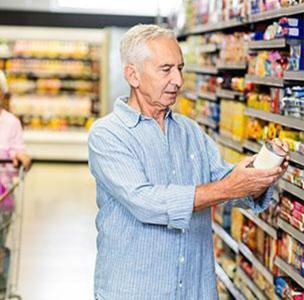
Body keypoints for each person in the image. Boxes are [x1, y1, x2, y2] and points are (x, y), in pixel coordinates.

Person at [88, 24, 288, 300]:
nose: (178, 80)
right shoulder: (108, 134)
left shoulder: (190, 131)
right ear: (133, 75)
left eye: (180, 68)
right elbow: (147, 202)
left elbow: (228, 181)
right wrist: (231, 186)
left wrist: (263, 169)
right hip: (135, 290)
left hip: (194, 289)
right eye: (166, 69)